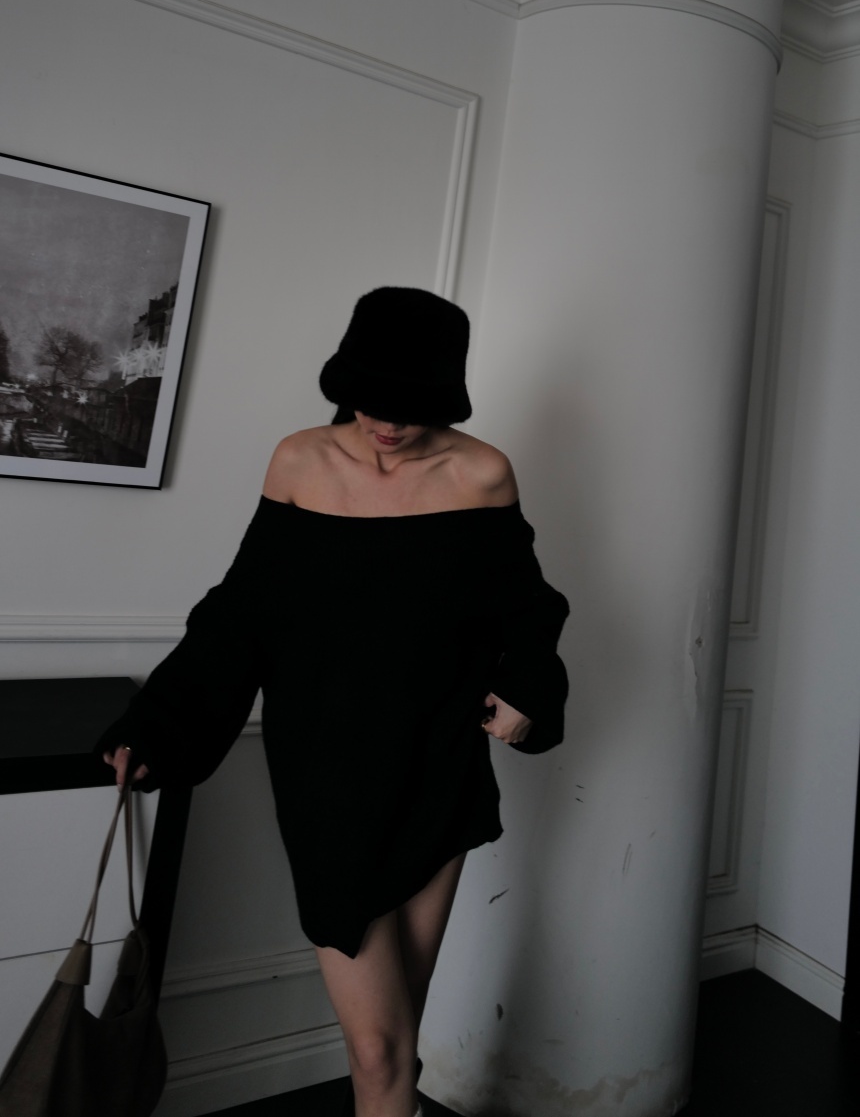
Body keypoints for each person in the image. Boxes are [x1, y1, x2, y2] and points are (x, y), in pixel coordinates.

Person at [98, 286, 569, 1117]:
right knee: (378, 1046)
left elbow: (527, 610)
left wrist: (528, 689)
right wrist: (159, 724)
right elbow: (240, 614)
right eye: (371, 399)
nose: (388, 423)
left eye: (412, 406)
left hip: (438, 760)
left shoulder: (481, 473)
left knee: (396, 1030)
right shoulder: (299, 461)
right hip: (325, 770)